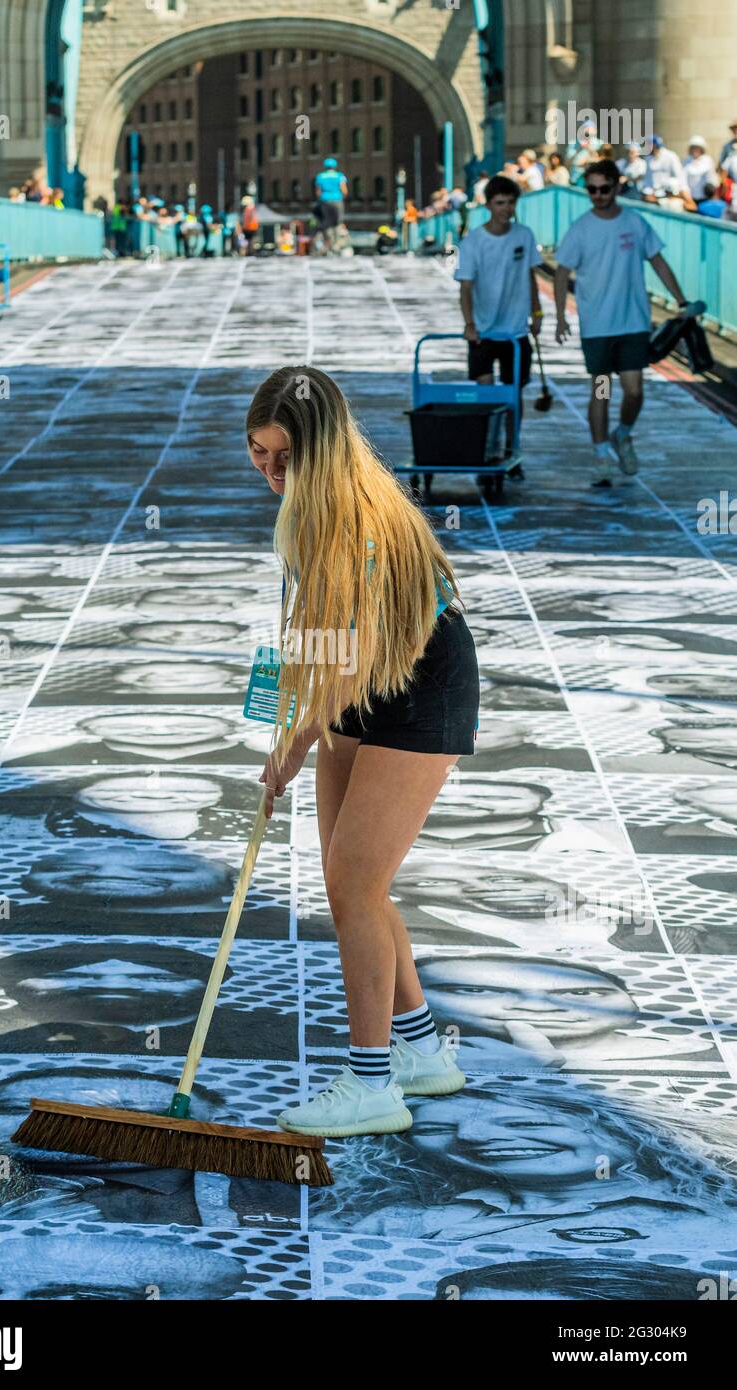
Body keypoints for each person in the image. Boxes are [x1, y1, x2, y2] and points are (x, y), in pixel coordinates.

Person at [246, 366, 480, 1138]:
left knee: (353, 883)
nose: (272, 473)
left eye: (286, 458)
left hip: (420, 681)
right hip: (367, 676)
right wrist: (284, 716)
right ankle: (420, 1052)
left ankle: (371, 1085)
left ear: (322, 450)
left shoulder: (353, 514)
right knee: (354, 883)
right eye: (258, 453)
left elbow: (349, 661)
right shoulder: (307, 507)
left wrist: (295, 741)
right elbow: (320, 639)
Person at [555, 159, 690, 487]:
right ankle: (601, 455)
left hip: (632, 325)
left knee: (634, 391)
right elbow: (561, 272)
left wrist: (681, 300)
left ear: (617, 187)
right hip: (598, 329)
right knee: (601, 391)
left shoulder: (634, 223)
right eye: (591, 190)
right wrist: (559, 317)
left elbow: (658, 261)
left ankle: (623, 434)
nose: (598, 195)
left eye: (604, 188)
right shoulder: (581, 228)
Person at [455, 174, 543, 459]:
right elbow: (466, 287)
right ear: (488, 205)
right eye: (500, 203)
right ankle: (489, 448)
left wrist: (537, 311)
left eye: (511, 203)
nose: (506, 209)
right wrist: (469, 324)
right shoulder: (473, 243)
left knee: (513, 397)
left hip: (516, 332)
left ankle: (511, 448)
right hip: (482, 332)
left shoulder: (524, 235)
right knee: (487, 396)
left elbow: (530, 276)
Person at [314, 156, 348, 251]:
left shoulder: (320, 176)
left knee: (326, 222)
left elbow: (318, 192)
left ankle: (329, 242)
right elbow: (344, 190)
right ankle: (336, 244)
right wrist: (341, 198)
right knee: (338, 221)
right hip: (337, 200)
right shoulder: (339, 176)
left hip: (325, 201)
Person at [683, 136, 716, 203]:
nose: (695, 150)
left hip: (706, 198)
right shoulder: (686, 162)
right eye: (693, 148)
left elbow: (712, 178)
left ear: (702, 149)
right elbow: (683, 182)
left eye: (698, 148)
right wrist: (689, 200)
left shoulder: (708, 160)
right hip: (691, 198)